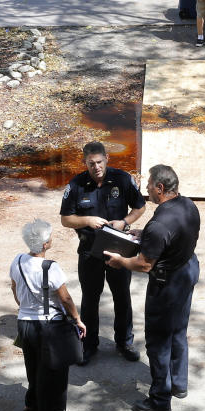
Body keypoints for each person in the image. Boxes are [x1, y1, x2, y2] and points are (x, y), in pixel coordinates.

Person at [105, 164, 201, 411]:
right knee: (178, 330)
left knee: (158, 342)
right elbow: (171, 236)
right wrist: (142, 234)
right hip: (188, 269)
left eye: (148, 184)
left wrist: (120, 261)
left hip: (167, 284)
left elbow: (145, 264)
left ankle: (160, 402)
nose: (145, 188)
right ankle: (179, 384)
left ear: (160, 188)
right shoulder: (188, 205)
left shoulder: (160, 223)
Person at [59, 142, 146, 365]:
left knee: (122, 297)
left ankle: (125, 342)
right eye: (91, 163)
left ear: (107, 158)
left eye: (100, 162)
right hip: (90, 252)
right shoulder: (77, 185)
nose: (96, 167)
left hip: (118, 250)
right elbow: (65, 219)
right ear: (84, 162)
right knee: (90, 300)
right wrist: (87, 220)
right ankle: (89, 345)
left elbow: (140, 207)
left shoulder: (123, 179)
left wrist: (125, 221)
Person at [10, 219, 88, 411]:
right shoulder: (50, 267)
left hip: (24, 324)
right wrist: (77, 319)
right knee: (52, 371)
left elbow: (15, 289)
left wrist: (24, 306)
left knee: (32, 366)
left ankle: (31, 404)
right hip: (48, 327)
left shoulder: (17, 261)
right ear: (45, 245)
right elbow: (65, 299)